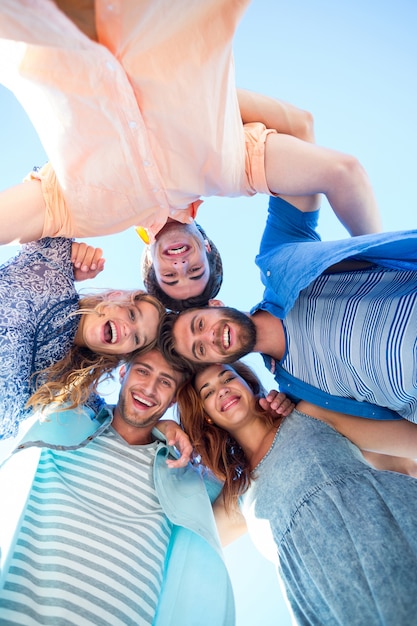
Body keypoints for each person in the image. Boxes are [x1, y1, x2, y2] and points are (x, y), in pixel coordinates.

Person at [0, 1, 381, 310]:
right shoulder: (227, 168)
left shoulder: (84, 215)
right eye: (195, 270)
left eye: (170, 276)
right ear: (207, 247)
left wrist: (54, 261)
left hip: (39, 23)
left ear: (149, 261)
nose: (180, 264)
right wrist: (384, 270)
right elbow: (342, 171)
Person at [0, 348, 235, 625]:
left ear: (174, 397)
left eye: (165, 382)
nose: (149, 388)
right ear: (123, 372)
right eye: (143, 371)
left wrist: (274, 407)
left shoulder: (184, 475)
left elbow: (253, 482)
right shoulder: (68, 417)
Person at [177, 360, 417, 625]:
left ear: (248, 384)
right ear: (207, 416)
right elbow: (179, 543)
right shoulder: (238, 497)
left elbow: (410, 447)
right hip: (332, 606)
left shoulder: (308, 413)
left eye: (227, 379)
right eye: (208, 393)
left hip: (400, 542)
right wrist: (165, 430)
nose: (221, 390)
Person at [158, 190, 417, 423]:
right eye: (201, 349)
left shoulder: (279, 261)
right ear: (215, 362)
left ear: (215, 304)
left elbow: (300, 167)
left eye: (200, 324)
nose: (210, 336)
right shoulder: (299, 395)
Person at [0, 236, 165, 440]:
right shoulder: (54, 270)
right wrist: (73, 253)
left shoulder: (69, 387)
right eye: (132, 314)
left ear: (124, 352)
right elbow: (58, 212)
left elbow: (123, 421)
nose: (129, 329)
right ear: (114, 296)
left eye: (138, 338)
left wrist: (161, 429)